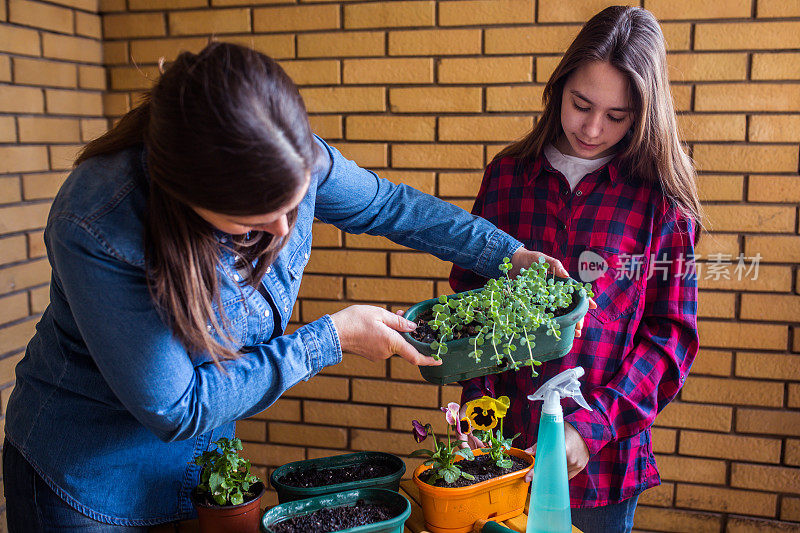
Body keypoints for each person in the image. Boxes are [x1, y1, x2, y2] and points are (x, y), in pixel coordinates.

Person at [2, 42, 570, 531]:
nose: (283, 229)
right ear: (187, 196)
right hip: (90, 485)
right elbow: (178, 406)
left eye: (295, 203)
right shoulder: (101, 221)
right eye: (252, 220)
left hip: (203, 467)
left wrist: (507, 255)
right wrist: (331, 338)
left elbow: (388, 205)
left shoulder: (285, 155)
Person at [450, 7, 701, 533]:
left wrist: (591, 428)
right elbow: (469, 301)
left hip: (601, 462)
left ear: (646, 113)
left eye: (617, 116)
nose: (592, 128)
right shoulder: (507, 177)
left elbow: (671, 336)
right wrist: (476, 409)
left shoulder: (662, 201)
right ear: (558, 88)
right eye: (581, 104)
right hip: (500, 450)